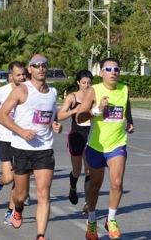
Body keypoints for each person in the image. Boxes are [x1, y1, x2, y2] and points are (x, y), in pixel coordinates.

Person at [0, 54, 62, 240]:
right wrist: (21, 131)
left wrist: (55, 124)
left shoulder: (53, 92)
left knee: (44, 194)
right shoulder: (21, 90)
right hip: (21, 148)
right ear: (30, 69)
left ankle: (40, 236)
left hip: (44, 149)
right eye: (37, 65)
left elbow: (51, 116)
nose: (41, 68)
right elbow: (2, 115)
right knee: (21, 194)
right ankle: (17, 208)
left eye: (44, 65)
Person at [76, 58, 135, 240]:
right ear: (101, 73)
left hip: (117, 144)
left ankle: (110, 219)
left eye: (116, 69)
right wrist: (97, 109)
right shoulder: (94, 90)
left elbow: (126, 106)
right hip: (96, 146)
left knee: (117, 183)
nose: (113, 72)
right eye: (108, 69)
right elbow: (79, 117)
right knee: (95, 186)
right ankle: (92, 220)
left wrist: (130, 121)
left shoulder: (124, 90)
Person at [0, 61, 27, 225]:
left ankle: (10, 212)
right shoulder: (1, 92)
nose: (22, 77)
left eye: (24, 74)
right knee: (9, 178)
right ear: (11, 76)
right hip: (6, 139)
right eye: (18, 75)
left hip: (24, 142)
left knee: (18, 180)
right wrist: (4, 119)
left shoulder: (31, 92)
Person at [57, 70, 93, 215]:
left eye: (89, 83)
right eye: (83, 83)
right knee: (77, 170)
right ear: (78, 82)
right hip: (77, 134)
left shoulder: (94, 95)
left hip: (91, 134)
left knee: (89, 169)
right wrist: (74, 111)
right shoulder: (72, 97)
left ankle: (87, 202)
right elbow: (59, 115)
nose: (86, 85)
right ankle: (72, 187)